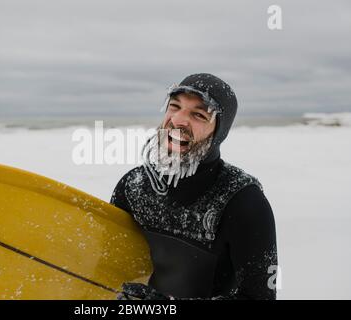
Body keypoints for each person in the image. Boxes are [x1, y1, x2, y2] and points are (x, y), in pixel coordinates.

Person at [110, 73, 278, 300]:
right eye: (174, 106)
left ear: (219, 130)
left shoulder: (243, 201)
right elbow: (107, 268)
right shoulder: (134, 186)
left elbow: (259, 298)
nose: (178, 120)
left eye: (198, 114)